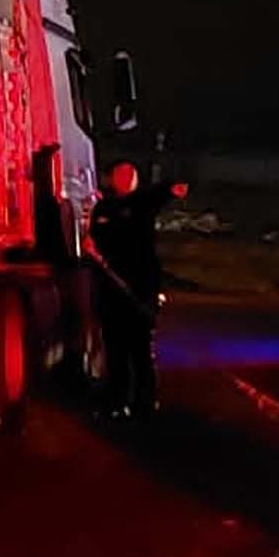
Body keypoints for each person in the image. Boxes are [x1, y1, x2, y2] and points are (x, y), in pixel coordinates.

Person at [88, 161, 187, 418]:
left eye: (131, 176)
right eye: (122, 175)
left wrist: (173, 188)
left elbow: (160, 193)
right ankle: (117, 401)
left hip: (140, 289)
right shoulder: (104, 208)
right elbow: (94, 239)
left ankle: (145, 402)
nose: (126, 180)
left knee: (140, 350)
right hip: (112, 290)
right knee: (116, 350)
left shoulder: (142, 204)